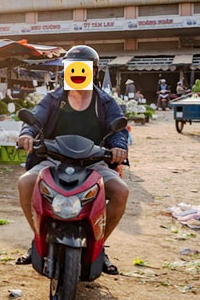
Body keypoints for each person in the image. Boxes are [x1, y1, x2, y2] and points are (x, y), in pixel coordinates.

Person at [15, 45, 130, 274]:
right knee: (25, 183)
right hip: (53, 160)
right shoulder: (54, 99)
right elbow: (35, 118)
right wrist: (27, 134)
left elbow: (119, 128)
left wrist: (118, 147)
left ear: (93, 71)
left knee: (121, 192)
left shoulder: (105, 102)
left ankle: (98, 246)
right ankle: (37, 239)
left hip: (93, 163)